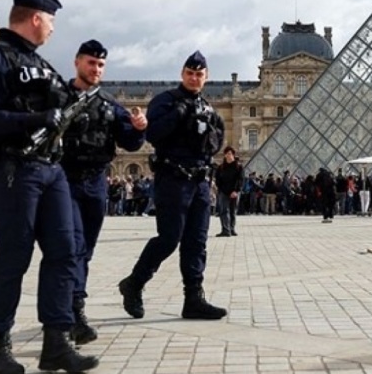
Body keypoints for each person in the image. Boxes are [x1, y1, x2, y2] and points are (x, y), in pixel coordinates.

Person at [0, 0, 99, 373]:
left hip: (51, 169)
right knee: (14, 257)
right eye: (50, 20)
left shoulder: (42, 64)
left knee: (66, 252)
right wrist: (32, 121)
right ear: (35, 18)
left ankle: (57, 342)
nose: (52, 28)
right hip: (13, 167)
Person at [118, 50, 227, 321]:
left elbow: (217, 143)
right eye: (190, 73)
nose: (194, 78)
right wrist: (178, 114)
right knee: (168, 238)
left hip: (200, 181)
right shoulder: (165, 101)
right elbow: (152, 134)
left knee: (196, 242)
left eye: (199, 74)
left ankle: (194, 298)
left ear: (206, 77)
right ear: (182, 74)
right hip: (173, 179)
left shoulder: (209, 109)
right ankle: (134, 283)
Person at [60, 39, 147, 345]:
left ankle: (72, 308)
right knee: (71, 246)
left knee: (85, 249)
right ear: (77, 62)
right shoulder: (58, 97)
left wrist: (138, 127)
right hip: (63, 180)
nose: (95, 69)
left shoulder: (109, 104)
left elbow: (131, 143)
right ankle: (72, 312)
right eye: (90, 63)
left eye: (100, 65)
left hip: (96, 181)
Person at [214, 146, 244, 236]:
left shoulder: (239, 167)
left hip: (234, 192)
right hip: (223, 192)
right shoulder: (221, 167)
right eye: (226, 154)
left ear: (233, 155)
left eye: (230, 154)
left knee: (232, 211)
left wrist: (236, 190)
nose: (228, 156)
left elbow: (240, 180)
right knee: (224, 211)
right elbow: (217, 179)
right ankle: (225, 229)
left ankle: (231, 228)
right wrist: (221, 190)